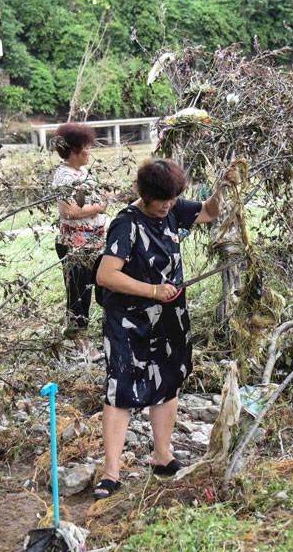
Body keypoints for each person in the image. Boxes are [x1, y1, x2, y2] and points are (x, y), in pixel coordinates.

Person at [92, 158, 231, 499]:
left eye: (173, 199)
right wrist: (152, 290)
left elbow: (210, 212)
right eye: (162, 200)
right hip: (129, 318)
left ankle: (162, 455)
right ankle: (111, 473)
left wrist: (224, 186)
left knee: (168, 380)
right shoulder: (126, 224)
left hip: (168, 315)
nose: (169, 206)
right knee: (121, 388)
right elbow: (106, 275)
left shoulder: (172, 207)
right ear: (145, 194)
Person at [51, 122, 108, 360]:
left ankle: (108, 334)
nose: (88, 152)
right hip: (76, 247)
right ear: (72, 150)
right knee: (78, 296)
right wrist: (99, 207)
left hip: (96, 243)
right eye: (84, 147)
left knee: (106, 288)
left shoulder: (84, 173)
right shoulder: (63, 176)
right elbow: (70, 212)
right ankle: (81, 346)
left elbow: (99, 195)